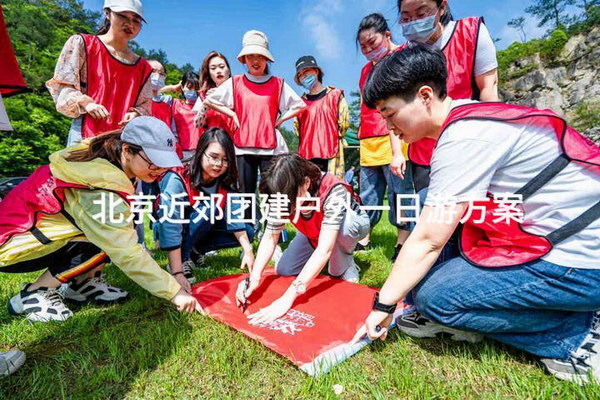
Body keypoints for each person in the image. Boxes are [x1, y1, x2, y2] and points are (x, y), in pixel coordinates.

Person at [353, 44, 600, 384]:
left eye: (390, 113)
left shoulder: (464, 138)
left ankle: (577, 335)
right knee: (426, 199)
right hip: (557, 237)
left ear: (425, 96)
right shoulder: (469, 115)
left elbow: (426, 240)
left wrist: (384, 305)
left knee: (436, 299)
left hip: (583, 262)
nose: (388, 127)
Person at [0, 117, 202, 322]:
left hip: (27, 235)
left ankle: (84, 284)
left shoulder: (104, 161)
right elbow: (127, 253)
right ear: (127, 151)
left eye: (164, 163)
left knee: (114, 230)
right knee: (112, 238)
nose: (158, 169)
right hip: (13, 247)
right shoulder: (99, 186)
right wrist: (174, 292)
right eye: (153, 161)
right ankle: (34, 294)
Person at [235, 154, 370, 325]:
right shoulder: (284, 195)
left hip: (349, 224)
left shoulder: (333, 189)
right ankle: (323, 251)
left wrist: (289, 296)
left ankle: (347, 262)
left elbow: (324, 249)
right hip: (315, 231)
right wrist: (253, 278)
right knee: (284, 269)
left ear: (306, 183)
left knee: (338, 259)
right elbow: (270, 236)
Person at [397, 0, 499, 192]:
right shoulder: (403, 56)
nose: (414, 22)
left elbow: (489, 90)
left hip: (470, 147)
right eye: (406, 18)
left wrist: (490, 144)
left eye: (421, 14)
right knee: (430, 210)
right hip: (425, 157)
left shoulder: (471, 33)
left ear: (442, 7)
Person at [204, 30, 306, 197]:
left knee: (272, 193)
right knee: (245, 194)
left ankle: (271, 224)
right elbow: (210, 100)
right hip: (242, 148)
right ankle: (248, 224)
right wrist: (233, 114)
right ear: (244, 59)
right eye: (250, 56)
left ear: (266, 59)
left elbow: (299, 105)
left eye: (259, 56)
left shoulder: (277, 84)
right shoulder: (235, 82)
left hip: (269, 148)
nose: (255, 61)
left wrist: (279, 121)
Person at [154, 127, 255, 290]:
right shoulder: (178, 176)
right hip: (177, 227)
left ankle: (195, 251)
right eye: (214, 157)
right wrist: (177, 271)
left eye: (225, 159)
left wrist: (248, 252)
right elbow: (170, 222)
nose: (219, 164)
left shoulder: (227, 179)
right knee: (207, 207)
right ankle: (182, 259)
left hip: (203, 225)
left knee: (248, 232)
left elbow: (236, 218)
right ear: (201, 152)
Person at [46, 0, 152, 145]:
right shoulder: (83, 44)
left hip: (122, 142)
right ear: (107, 13)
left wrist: (136, 114)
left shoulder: (143, 67)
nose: (130, 24)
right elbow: (63, 86)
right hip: (84, 136)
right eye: (123, 16)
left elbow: (145, 105)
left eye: (136, 20)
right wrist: (87, 104)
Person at [356, 14, 415, 261]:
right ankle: (363, 239)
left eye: (373, 42)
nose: (369, 50)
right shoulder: (365, 71)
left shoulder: (405, 56)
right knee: (368, 193)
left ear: (387, 35)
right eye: (364, 47)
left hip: (399, 136)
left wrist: (399, 150)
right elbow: (364, 105)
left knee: (401, 192)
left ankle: (403, 241)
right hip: (369, 140)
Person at [293, 55, 350, 179]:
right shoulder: (299, 104)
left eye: (306, 71)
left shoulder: (335, 96)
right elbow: (297, 129)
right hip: (307, 157)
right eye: (300, 75)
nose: (304, 76)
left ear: (316, 71)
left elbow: (344, 123)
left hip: (331, 155)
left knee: (332, 190)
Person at [192, 51, 236, 137]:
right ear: (209, 73)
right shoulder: (203, 95)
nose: (218, 71)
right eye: (213, 68)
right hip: (214, 142)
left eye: (222, 67)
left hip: (236, 143)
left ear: (229, 70)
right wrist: (207, 104)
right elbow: (198, 125)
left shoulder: (239, 90)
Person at [171, 71, 201, 160]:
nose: (193, 91)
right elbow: (154, 95)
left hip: (201, 152)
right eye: (189, 87)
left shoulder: (204, 106)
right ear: (182, 87)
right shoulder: (175, 104)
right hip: (181, 153)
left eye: (196, 88)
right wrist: (172, 87)